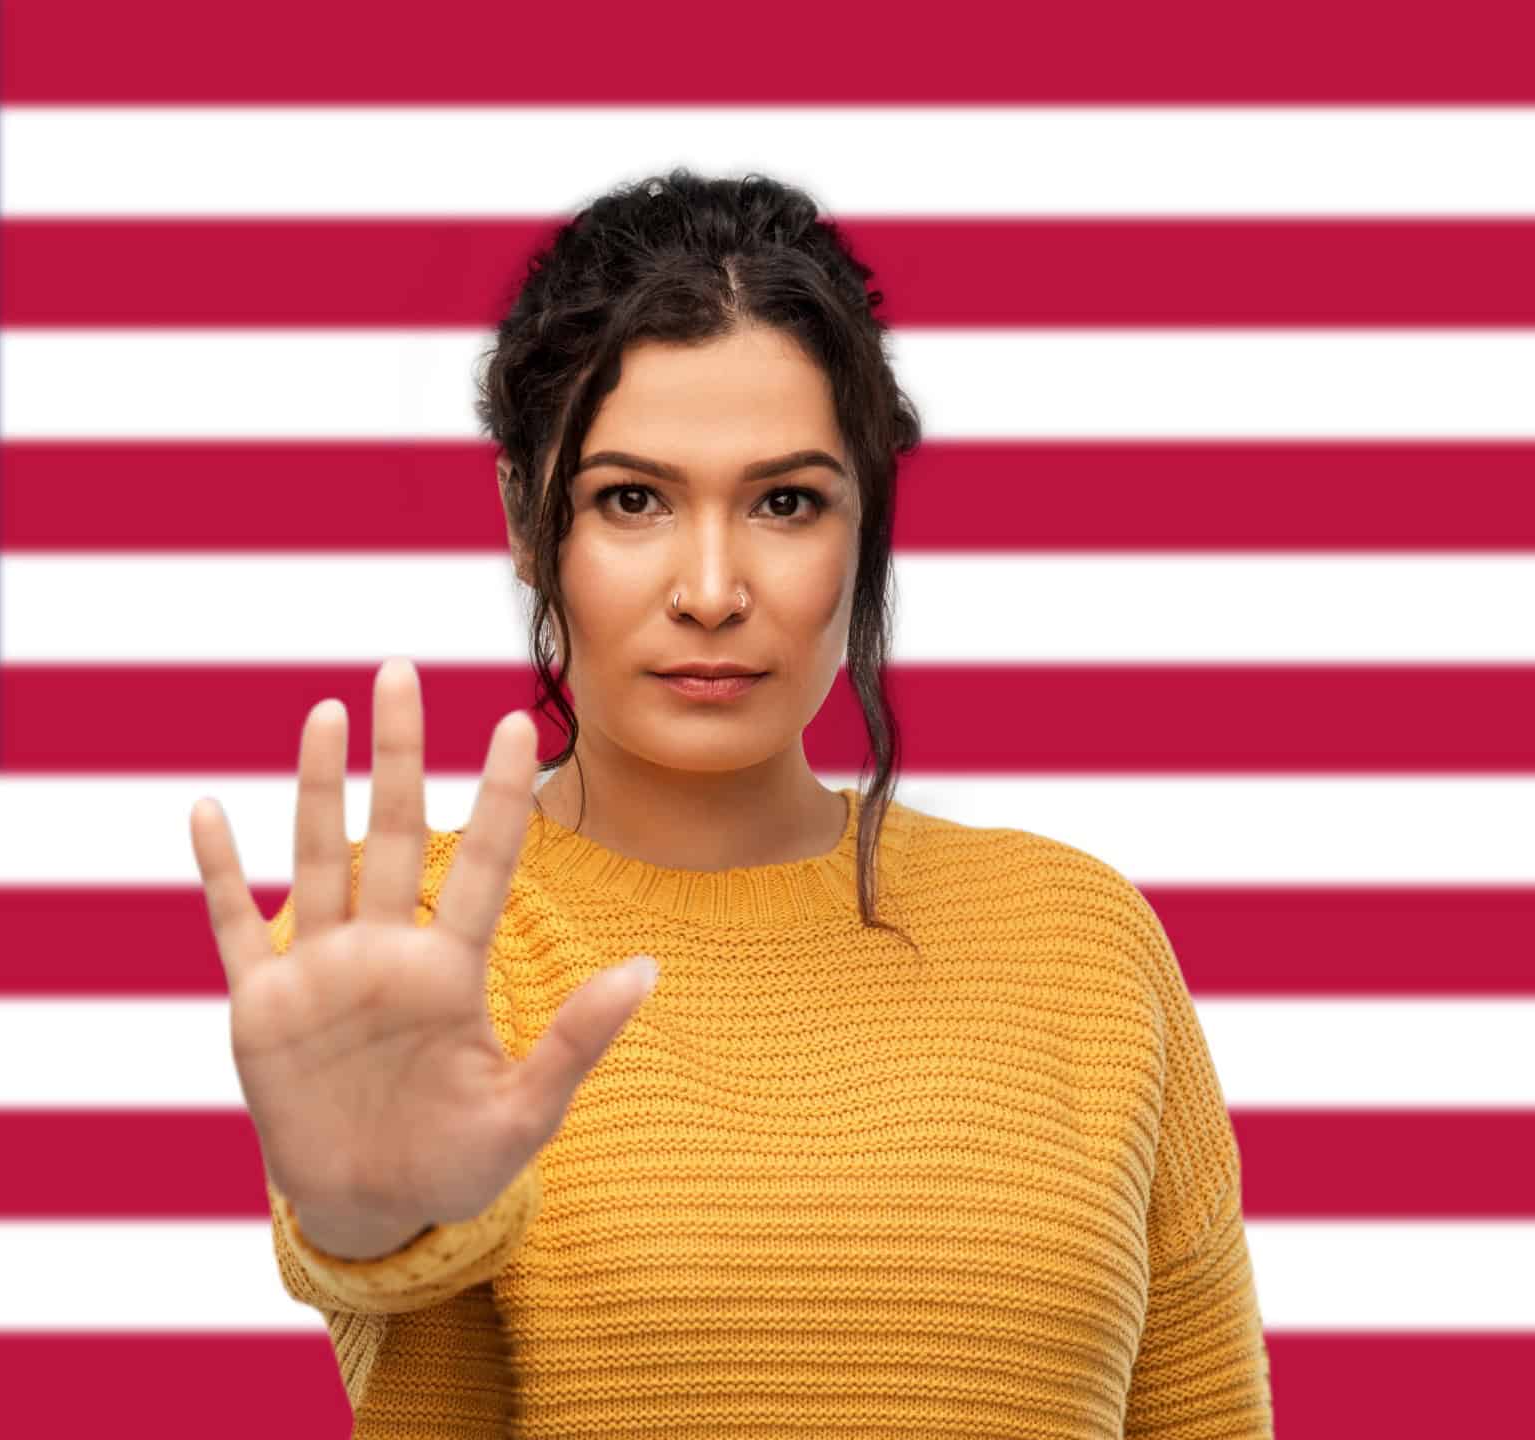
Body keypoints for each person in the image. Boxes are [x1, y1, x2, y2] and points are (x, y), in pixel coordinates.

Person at [187, 169, 1274, 1437]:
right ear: (525, 521)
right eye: (631, 500)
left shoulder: (1080, 944)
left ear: (866, 523)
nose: (711, 590)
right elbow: (376, 1267)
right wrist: (370, 1216)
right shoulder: (409, 942)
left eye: (785, 502)